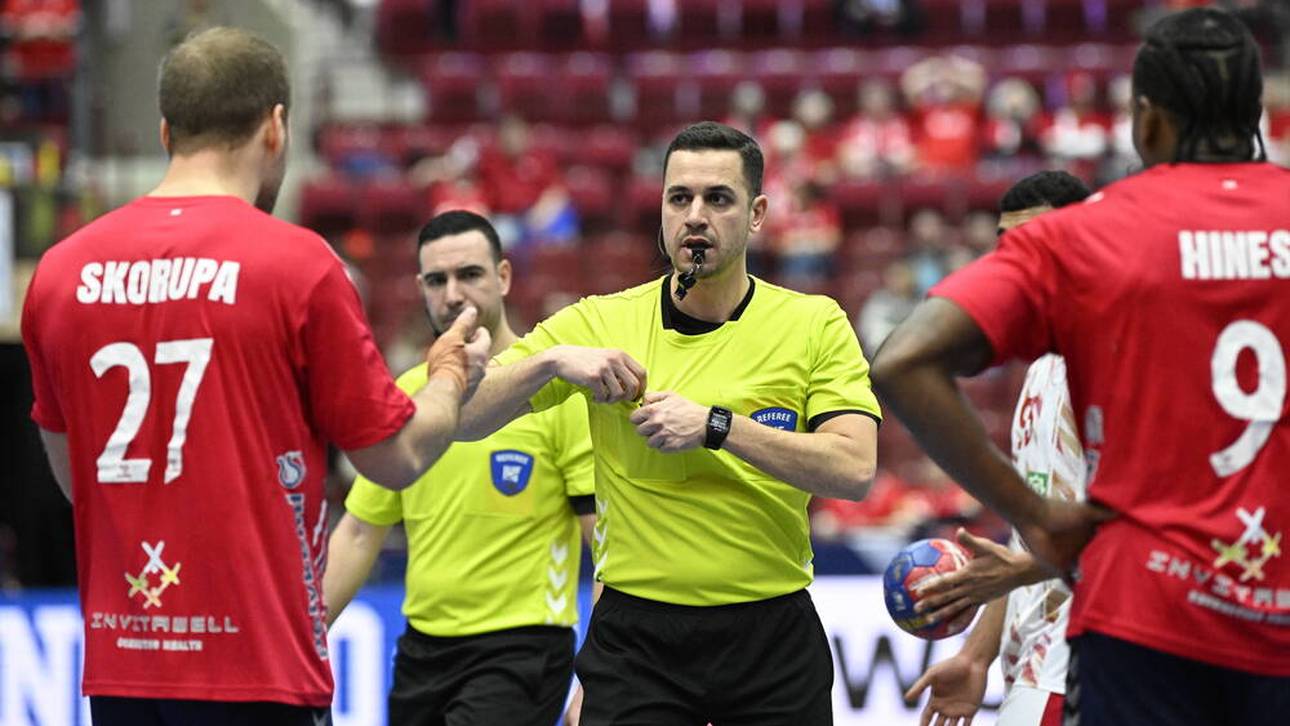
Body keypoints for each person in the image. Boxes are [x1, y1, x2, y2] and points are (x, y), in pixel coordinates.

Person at [19, 27, 489, 726]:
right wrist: (450, 374)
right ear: (275, 127)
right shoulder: (297, 265)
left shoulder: (59, 274)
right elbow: (396, 458)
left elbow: (74, 480)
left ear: (165, 129)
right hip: (260, 676)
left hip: (124, 671)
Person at [872, 8, 1290, 725]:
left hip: (1145, 618)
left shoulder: (1088, 235)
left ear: (1146, 122)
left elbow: (906, 358)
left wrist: (1038, 520)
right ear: (1257, 112)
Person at [460, 121, 881, 725]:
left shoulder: (814, 323)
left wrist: (717, 426)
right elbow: (465, 418)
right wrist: (549, 361)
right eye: (679, 198)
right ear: (660, 209)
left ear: (757, 212)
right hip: (637, 642)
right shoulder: (599, 323)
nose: (696, 216)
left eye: (719, 198)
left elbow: (854, 468)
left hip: (771, 633)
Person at [323, 210, 598, 726]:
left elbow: (606, 547)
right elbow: (360, 531)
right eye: (437, 280)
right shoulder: (407, 396)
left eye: (469, 274)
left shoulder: (555, 393)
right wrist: (302, 643)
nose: (452, 294)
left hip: (523, 649)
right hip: (421, 651)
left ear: (504, 277)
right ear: (420, 288)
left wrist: (599, 678)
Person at [903, 170, 1092, 726]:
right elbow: (1028, 524)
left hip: (1080, 667)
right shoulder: (1040, 368)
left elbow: (1132, 531)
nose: (1018, 261)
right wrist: (978, 653)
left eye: (1038, 239)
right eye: (1008, 245)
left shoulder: (1113, 363)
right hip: (1029, 664)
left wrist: (1023, 570)